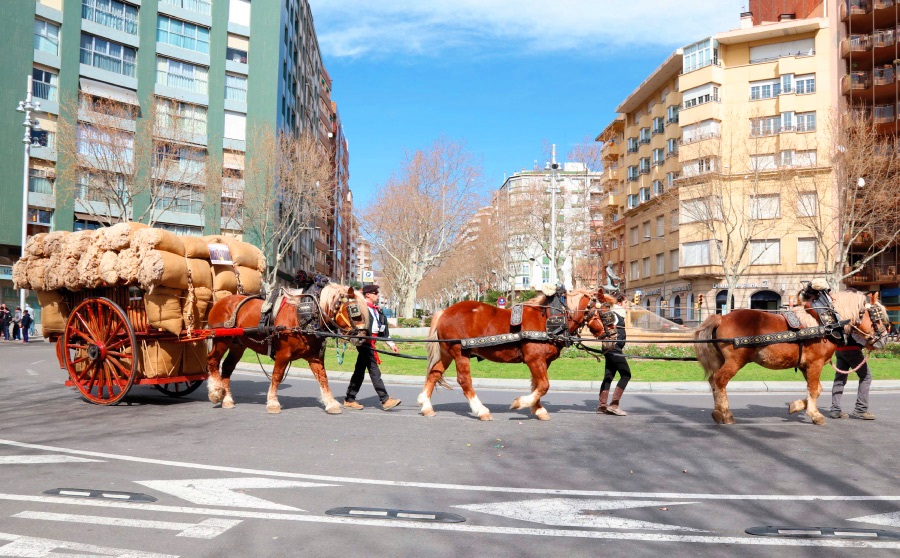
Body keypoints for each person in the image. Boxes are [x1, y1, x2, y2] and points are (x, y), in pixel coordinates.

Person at [344, 284, 401, 411]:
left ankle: (349, 398)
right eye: (375, 293)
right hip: (364, 341)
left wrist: (391, 344)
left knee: (359, 371)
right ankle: (385, 399)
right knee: (374, 370)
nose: (378, 295)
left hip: (372, 341)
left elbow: (383, 331)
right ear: (368, 295)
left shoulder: (377, 310)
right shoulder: (360, 308)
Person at [597, 294, 631, 416]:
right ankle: (614, 405)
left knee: (609, 375)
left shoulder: (615, 314)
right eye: (626, 302)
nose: (628, 305)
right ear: (620, 303)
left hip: (611, 349)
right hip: (614, 349)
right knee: (626, 375)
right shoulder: (615, 314)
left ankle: (602, 406)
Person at [830, 337, 875, 420]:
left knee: (839, 379)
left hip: (839, 350)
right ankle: (861, 409)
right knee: (866, 377)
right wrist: (867, 344)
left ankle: (835, 410)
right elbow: (854, 334)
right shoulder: (853, 323)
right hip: (852, 350)